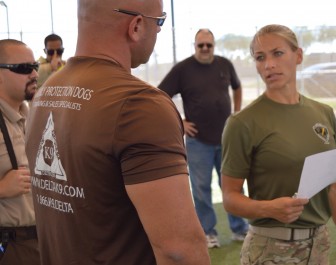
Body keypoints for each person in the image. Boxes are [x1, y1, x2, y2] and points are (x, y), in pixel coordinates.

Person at [24, 0, 210, 264]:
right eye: (159, 22)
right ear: (135, 26)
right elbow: (179, 249)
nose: (158, 31)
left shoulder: (46, 91)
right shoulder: (139, 103)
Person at [221, 24, 336, 265]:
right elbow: (230, 198)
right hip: (269, 251)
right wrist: (269, 209)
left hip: (319, 247)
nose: (269, 64)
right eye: (260, 58)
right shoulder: (242, 123)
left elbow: (335, 187)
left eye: (277, 53)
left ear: (298, 55)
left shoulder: (323, 113)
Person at [159, 28, 248, 248]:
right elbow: (160, 95)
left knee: (233, 186)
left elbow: (237, 87)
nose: (205, 49)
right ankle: (208, 233)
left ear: (214, 45)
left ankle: (240, 229)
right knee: (201, 190)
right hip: (198, 142)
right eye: (201, 45)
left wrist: (236, 114)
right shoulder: (183, 69)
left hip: (226, 139)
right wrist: (180, 122)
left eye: (209, 45)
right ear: (195, 46)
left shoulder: (225, 64)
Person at [0, 39, 40, 265]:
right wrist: (2, 189)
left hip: (42, 241)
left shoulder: (32, 116)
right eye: (23, 68)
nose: (34, 73)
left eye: (34, 66)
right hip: (11, 247)